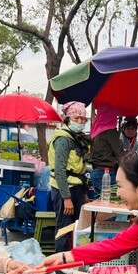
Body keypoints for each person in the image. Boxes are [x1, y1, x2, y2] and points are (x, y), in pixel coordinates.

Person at [48, 101, 92, 252]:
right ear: (67, 120)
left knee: (78, 227)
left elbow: (79, 168)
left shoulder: (76, 139)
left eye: (82, 119)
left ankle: (74, 259)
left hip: (77, 188)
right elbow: (60, 170)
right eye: (76, 119)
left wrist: (84, 192)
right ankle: (60, 265)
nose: (80, 122)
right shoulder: (63, 139)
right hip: (64, 190)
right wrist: (66, 198)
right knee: (64, 228)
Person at [90, 104, 124, 199]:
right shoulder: (111, 132)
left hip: (96, 172)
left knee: (99, 202)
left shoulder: (96, 132)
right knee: (110, 205)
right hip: (107, 174)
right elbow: (119, 153)